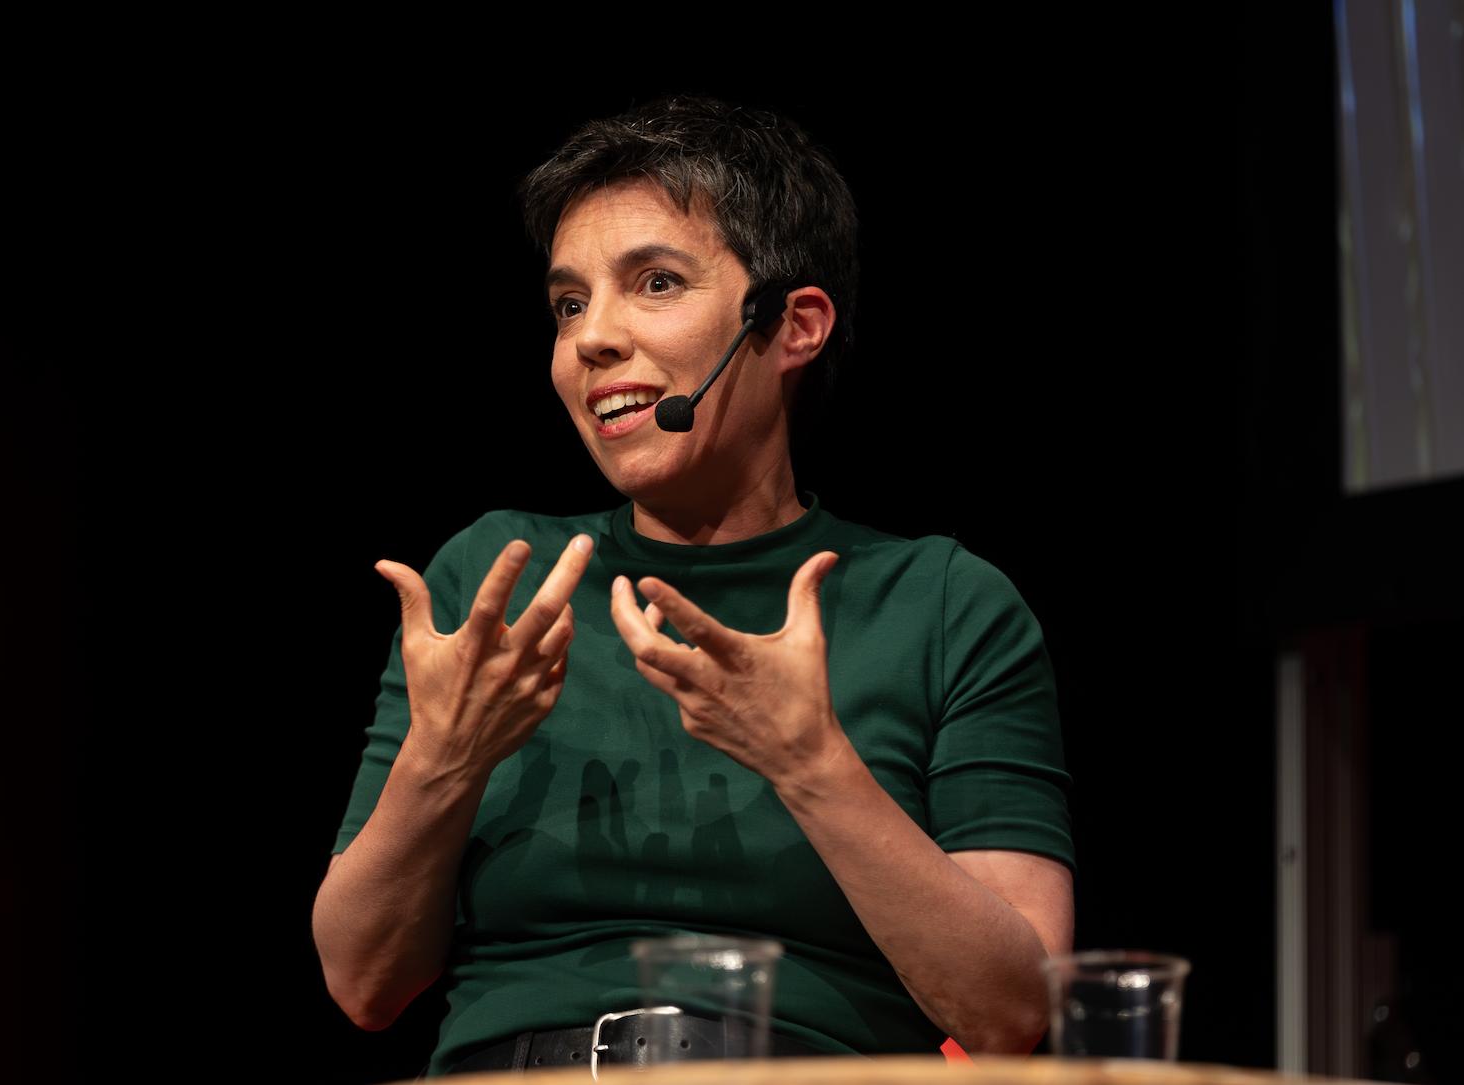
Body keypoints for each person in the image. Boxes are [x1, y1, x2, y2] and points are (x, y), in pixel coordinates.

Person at [312, 94, 1075, 1077]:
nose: (592, 337)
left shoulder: (940, 603)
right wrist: (443, 759)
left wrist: (809, 763)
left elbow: (1011, 1010)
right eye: (568, 303)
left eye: (656, 282)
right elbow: (361, 979)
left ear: (792, 326)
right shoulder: (499, 580)